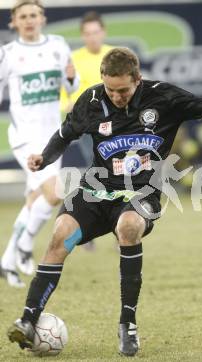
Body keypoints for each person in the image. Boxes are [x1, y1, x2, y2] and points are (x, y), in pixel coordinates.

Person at [6, 47, 202, 356]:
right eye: (111, 89)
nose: (116, 96)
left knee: (128, 227)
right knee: (60, 233)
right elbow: (64, 134)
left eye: (123, 89)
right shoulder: (91, 100)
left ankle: (128, 324)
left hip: (143, 193)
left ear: (137, 79)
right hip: (97, 191)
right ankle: (28, 320)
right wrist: (43, 159)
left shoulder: (164, 97)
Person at [0, 0, 79, 287]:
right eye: (23, 16)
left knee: (36, 199)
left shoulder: (57, 45)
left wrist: (71, 77)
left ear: (42, 18)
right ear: (14, 22)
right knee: (55, 191)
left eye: (34, 15)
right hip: (24, 137)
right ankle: (24, 245)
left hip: (51, 136)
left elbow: (71, 85)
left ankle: (8, 260)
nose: (29, 20)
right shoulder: (8, 53)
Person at [61, 11, 113, 251]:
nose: (92, 37)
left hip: (118, 128)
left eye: (96, 32)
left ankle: (120, 229)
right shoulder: (73, 60)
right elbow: (63, 98)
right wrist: (72, 106)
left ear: (103, 32)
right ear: (83, 35)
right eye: (88, 33)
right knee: (99, 175)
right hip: (89, 129)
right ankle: (86, 230)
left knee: (115, 176)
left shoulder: (115, 56)